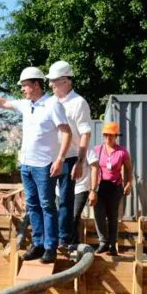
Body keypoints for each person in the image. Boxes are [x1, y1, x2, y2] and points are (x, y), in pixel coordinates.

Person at [0, 66, 72, 263]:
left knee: (47, 205)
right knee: (33, 205)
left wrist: (60, 159)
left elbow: (66, 133)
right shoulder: (26, 105)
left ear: (36, 85)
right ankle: (38, 244)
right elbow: (2, 102)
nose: (22, 89)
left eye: (25, 86)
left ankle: (50, 246)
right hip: (27, 165)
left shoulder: (52, 105)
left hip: (45, 165)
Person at [46, 61, 92, 248]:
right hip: (49, 157)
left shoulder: (78, 103)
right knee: (47, 200)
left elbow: (85, 133)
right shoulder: (50, 102)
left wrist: (80, 161)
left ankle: (63, 239)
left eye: (54, 81)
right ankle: (50, 236)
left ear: (66, 81)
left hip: (70, 156)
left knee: (65, 200)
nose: (50, 85)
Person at [94, 122, 132, 256]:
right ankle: (103, 242)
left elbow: (129, 168)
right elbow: (92, 168)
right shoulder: (97, 150)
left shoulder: (122, 152)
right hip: (100, 186)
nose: (108, 138)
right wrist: (91, 189)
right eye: (106, 135)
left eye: (111, 135)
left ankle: (112, 245)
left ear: (116, 136)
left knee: (112, 216)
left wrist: (129, 183)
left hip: (115, 187)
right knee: (98, 214)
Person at [58, 148, 99, 245]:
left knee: (73, 216)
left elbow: (95, 167)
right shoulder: (59, 146)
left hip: (80, 188)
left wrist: (93, 190)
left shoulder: (87, 149)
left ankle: (66, 244)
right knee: (62, 217)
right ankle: (74, 243)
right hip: (60, 189)